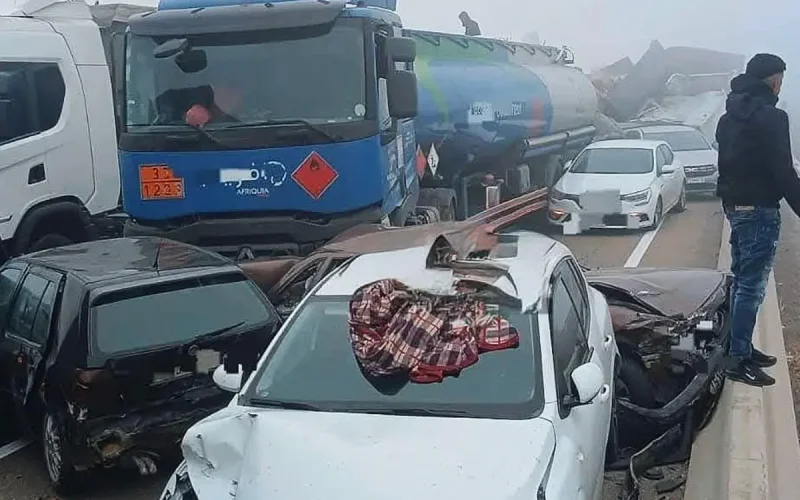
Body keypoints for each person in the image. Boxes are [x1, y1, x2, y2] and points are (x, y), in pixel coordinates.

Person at [715, 53, 800, 387]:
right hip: (760, 209)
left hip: (735, 207)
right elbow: (783, 170)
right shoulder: (772, 117)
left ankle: (743, 347)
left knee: (742, 279)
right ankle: (738, 359)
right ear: (774, 80)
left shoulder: (728, 117)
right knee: (751, 286)